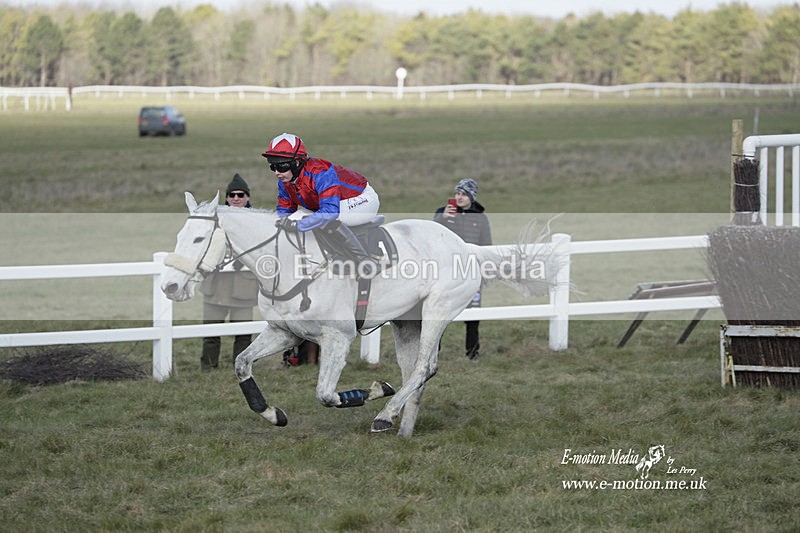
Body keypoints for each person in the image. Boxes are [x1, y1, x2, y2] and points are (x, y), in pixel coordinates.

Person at [261, 132, 380, 277]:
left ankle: (366, 262)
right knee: (296, 219)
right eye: (272, 167)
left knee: (324, 220)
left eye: (281, 166)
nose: (277, 172)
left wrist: (298, 225)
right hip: (334, 204)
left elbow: (330, 211)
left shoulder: (321, 172)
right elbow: (284, 211)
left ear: (297, 162)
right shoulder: (285, 181)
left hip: (362, 199)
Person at [199, 173, 260, 370]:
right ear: (226, 197)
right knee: (211, 332)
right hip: (216, 285)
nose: (236, 198)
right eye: (231, 195)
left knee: (243, 334)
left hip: (244, 285)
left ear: (247, 197)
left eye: (240, 195)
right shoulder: (214, 219)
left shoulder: (256, 221)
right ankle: (208, 368)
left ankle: (241, 368)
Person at [434, 178, 492, 360]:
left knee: (473, 316)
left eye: (463, 194)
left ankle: (472, 353)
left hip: (472, 273)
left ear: (471, 197)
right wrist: (442, 218)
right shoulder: (443, 213)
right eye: (457, 193)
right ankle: (434, 351)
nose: (459, 197)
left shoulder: (481, 218)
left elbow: (487, 245)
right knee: (440, 314)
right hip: (447, 273)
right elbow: (432, 234)